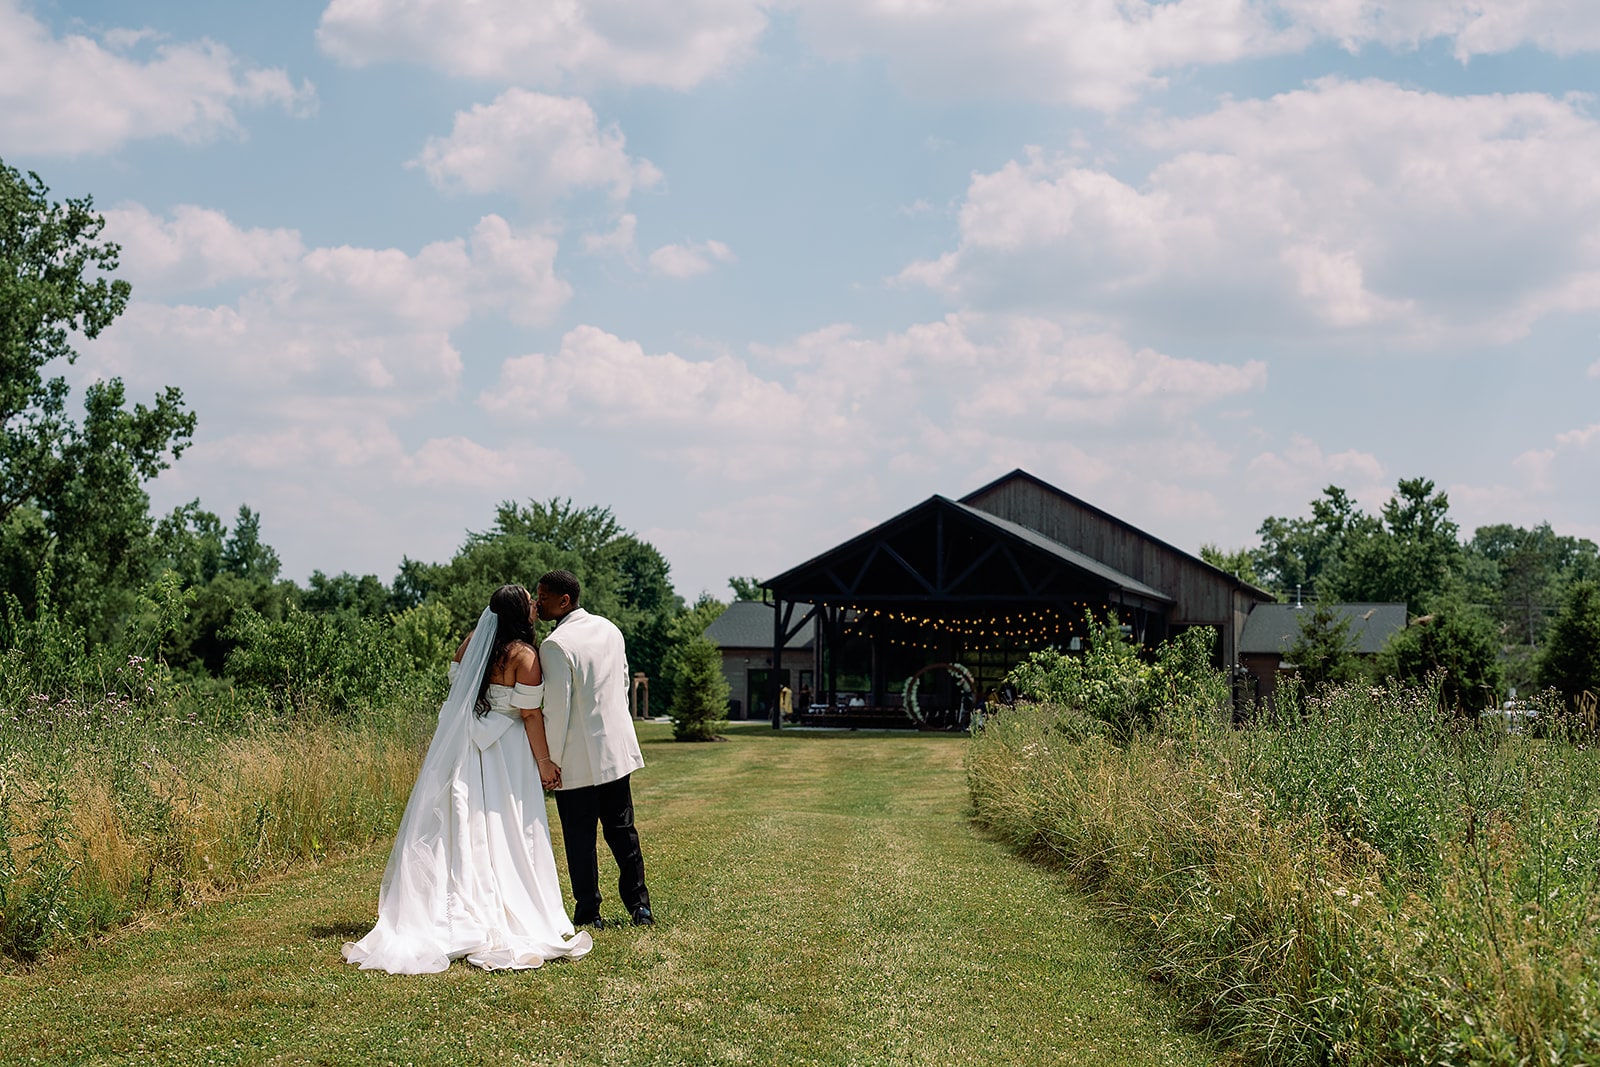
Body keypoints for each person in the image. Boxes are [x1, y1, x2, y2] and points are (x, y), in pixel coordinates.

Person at [343, 585, 592, 973]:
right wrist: (544, 762)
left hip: (468, 745)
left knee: (468, 818)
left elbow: (459, 687)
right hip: (507, 751)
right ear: (519, 614)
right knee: (507, 822)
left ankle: (455, 899)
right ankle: (508, 901)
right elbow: (529, 715)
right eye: (529, 602)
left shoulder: (474, 642)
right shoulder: (524, 656)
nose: (534, 605)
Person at [536, 570, 654, 928]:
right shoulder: (609, 628)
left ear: (564, 601)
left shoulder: (555, 645)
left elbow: (557, 710)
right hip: (614, 750)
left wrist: (549, 762)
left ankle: (589, 913)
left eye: (542, 597)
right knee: (623, 831)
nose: (536, 603)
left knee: (580, 838)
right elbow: (620, 683)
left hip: (576, 758)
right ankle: (640, 906)